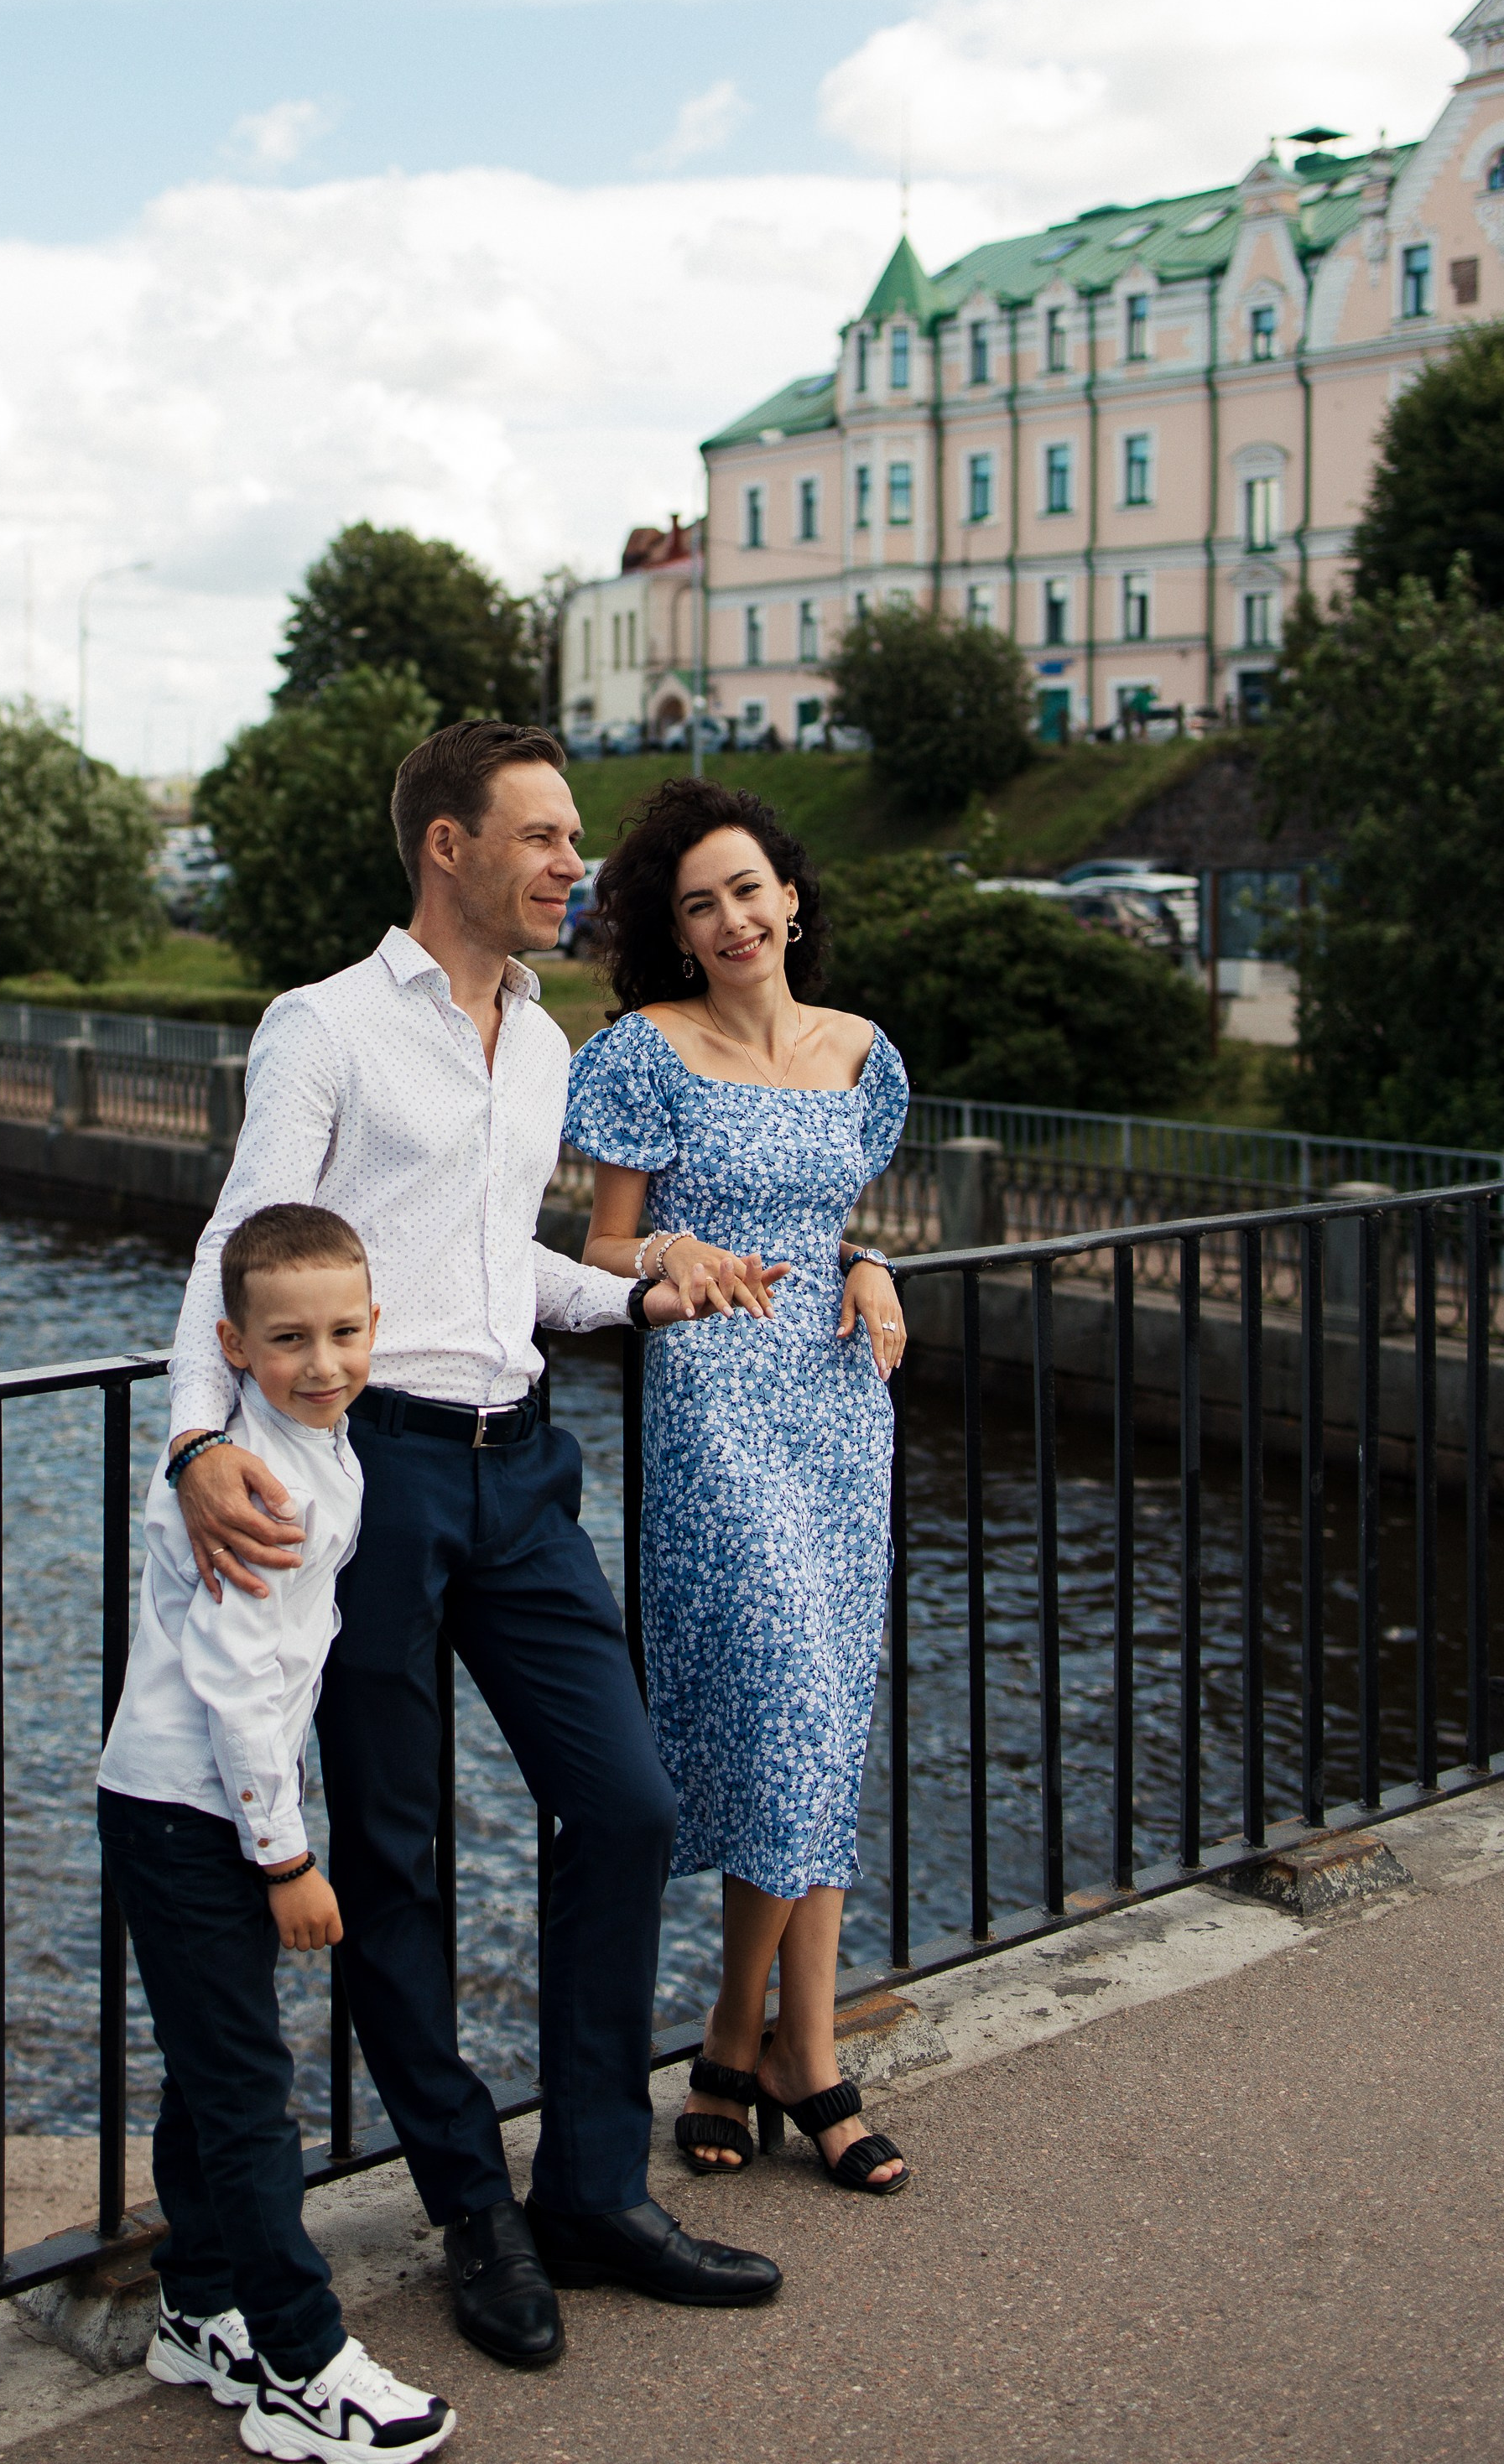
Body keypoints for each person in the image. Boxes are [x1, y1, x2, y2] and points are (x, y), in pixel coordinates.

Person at [166, 721, 783, 2375]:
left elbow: (490, 1261)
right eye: (544, 836)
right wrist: (195, 1440)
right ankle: (470, 2205)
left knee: (630, 1804)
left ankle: (591, 2187)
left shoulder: (538, 1042)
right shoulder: (327, 1030)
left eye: (573, 838)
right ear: (448, 845)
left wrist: (643, 1286)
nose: (575, 863)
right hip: (373, 1485)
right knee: (399, 1859)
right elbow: (240, 1245)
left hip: (523, 1476)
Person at [562, 777, 915, 2198]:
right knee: (777, 1698)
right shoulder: (646, 1051)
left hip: (840, 1402)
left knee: (821, 1713)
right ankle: (747, 2042)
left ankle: (785, 2050)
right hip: (715, 1403)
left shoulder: (863, 1055)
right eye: (699, 903)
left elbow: (837, 1223)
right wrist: (667, 1262)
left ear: (791, 898)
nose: (731, 919)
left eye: (749, 889)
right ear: (677, 930)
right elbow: (592, 1251)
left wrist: (872, 1261)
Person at [97, 1201, 457, 2461]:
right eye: (290, 1339)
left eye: (346, 1333)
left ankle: (199, 2306)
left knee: (216, 2066)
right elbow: (243, 1689)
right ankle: (303, 2365)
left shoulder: (304, 1448)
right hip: (191, 1808)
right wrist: (287, 1857)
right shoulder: (266, 1487)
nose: (324, 1363)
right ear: (233, 1346)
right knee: (251, 2091)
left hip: (190, 1804)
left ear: (377, 1329)